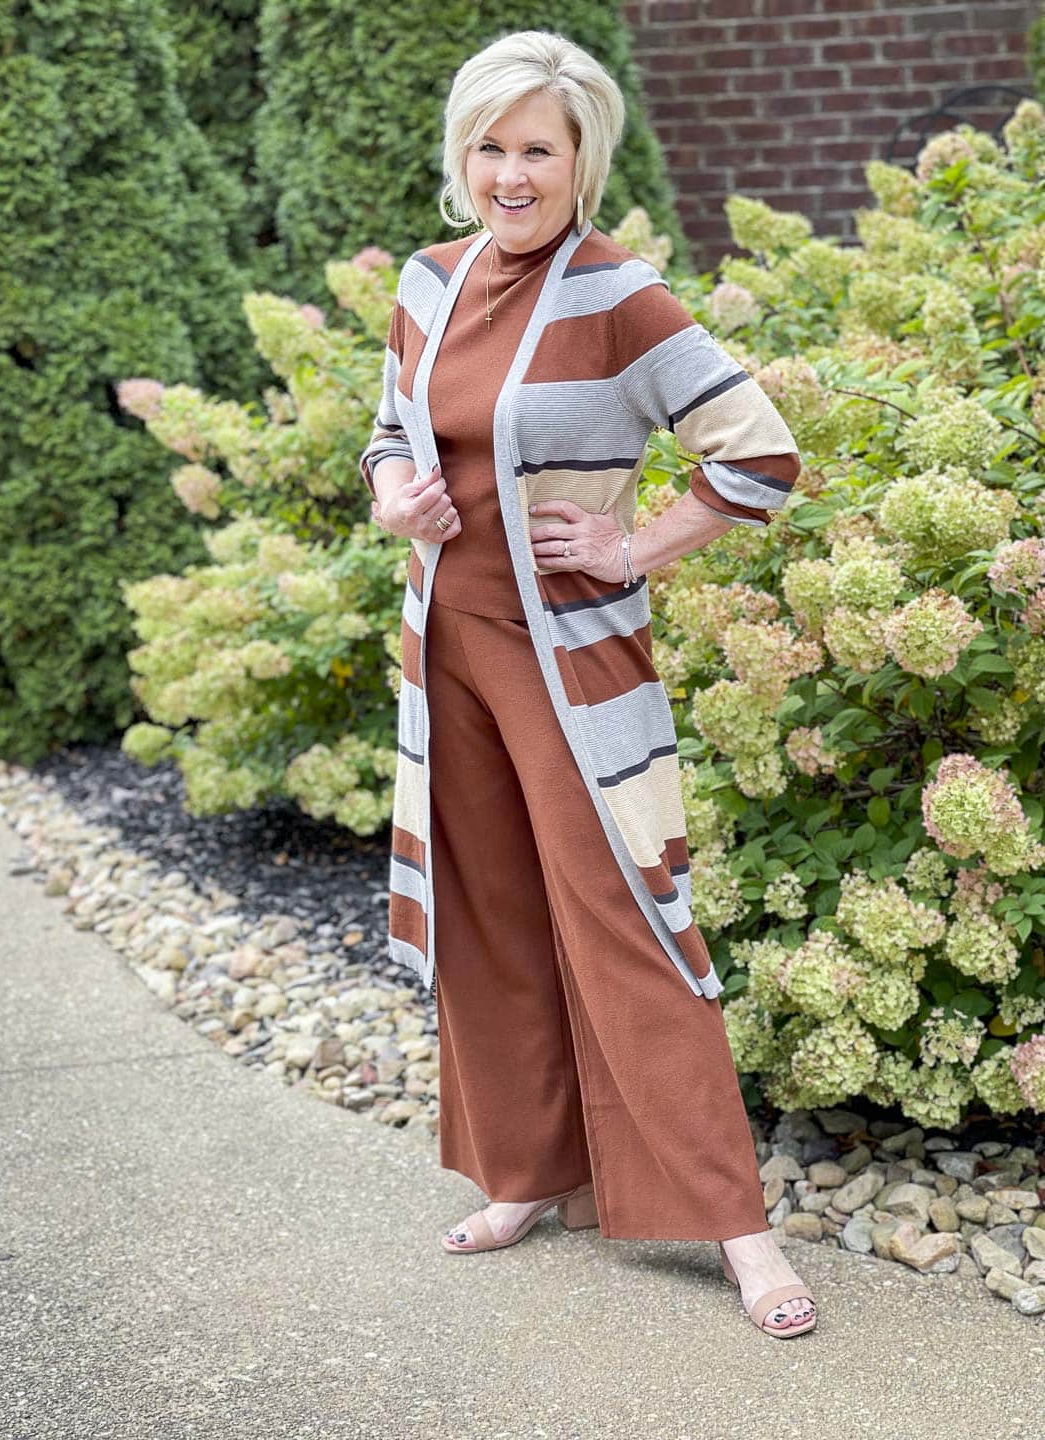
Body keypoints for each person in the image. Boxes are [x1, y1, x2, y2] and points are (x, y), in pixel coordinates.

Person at [359, 29, 817, 1339]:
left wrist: (635, 544)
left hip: (571, 667)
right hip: (447, 650)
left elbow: (760, 454)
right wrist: (394, 494)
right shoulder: (431, 280)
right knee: (489, 912)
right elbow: (389, 432)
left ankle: (738, 1229)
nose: (512, 174)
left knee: (627, 917)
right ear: (464, 158)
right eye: (490, 148)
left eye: (538, 150)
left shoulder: (618, 294)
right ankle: (528, 1174)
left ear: (580, 160)